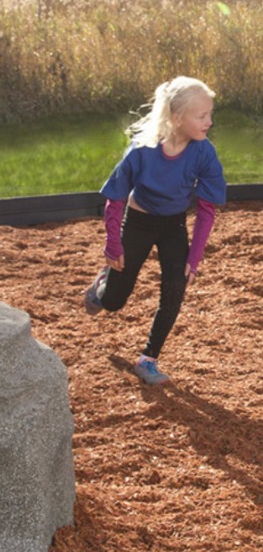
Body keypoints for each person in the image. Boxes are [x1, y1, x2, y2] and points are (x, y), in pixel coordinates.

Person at [83, 76, 227, 385]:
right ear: (177, 118)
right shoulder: (142, 150)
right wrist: (113, 245)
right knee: (114, 302)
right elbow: (116, 198)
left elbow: (206, 209)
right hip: (138, 223)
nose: (209, 122)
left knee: (176, 289)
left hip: (173, 225)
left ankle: (148, 359)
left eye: (210, 114)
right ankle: (101, 289)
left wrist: (195, 256)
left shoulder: (204, 152)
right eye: (202, 116)